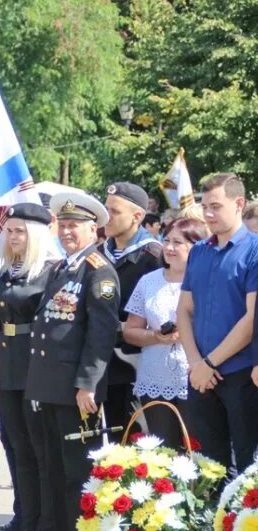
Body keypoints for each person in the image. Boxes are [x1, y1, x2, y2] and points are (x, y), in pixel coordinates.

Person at [26, 192, 120, 531]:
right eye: (62, 225)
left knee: (77, 471)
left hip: (74, 389)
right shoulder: (61, 268)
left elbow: (101, 333)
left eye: (74, 226)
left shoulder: (99, 270)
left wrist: (88, 384)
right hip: (49, 385)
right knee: (54, 467)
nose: (66, 231)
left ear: (93, 229)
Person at [0, 203, 61, 531]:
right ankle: (27, 522)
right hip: (6, 366)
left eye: (21, 231)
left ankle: (46, 526)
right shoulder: (7, 270)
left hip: (34, 366)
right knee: (16, 449)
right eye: (10, 230)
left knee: (39, 450)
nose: (14, 237)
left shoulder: (49, 270)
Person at [178, 174, 258, 473]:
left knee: (248, 466)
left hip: (241, 375)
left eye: (215, 206)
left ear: (239, 204)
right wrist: (195, 362)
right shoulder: (199, 251)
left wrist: (209, 362)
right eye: (204, 206)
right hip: (201, 376)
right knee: (208, 468)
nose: (207, 214)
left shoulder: (254, 250)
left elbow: (252, 319)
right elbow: (184, 310)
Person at [123, 217, 207, 448]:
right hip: (155, 375)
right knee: (163, 449)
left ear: (196, 246)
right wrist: (156, 337)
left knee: (197, 449)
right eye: (167, 240)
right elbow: (130, 331)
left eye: (178, 242)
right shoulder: (149, 281)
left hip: (196, 375)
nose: (168, 247)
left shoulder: (206, 280)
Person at [101, 183, 162, 432]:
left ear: (137, 216)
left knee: (142, 440)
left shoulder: (154, 256)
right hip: (105, 363)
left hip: (140, 362)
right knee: (114, 439)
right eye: (106, 209)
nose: (107, 217)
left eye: (114, 211)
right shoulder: (99, 254)